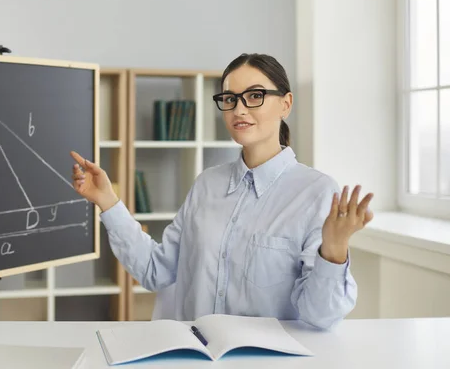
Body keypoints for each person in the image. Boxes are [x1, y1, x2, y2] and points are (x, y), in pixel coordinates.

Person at [69, 53, 374, 330]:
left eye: (255, 96)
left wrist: (333, 250)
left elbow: (319, 316)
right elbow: (156, 271)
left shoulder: (316, 192)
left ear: (286, 104)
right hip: (194, 357)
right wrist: (107, 201)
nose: (239, 109)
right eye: (230, 98)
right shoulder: (207, 184)